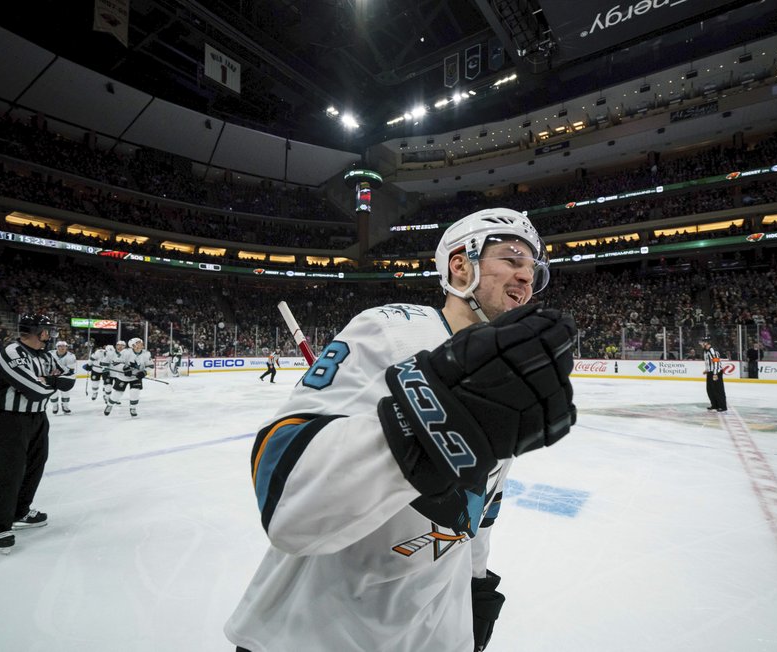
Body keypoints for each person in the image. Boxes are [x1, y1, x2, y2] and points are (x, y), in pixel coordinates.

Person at [224, 208, 577, 652]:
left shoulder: (505, 376)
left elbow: (481, 505)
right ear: (460, 264)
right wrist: (427, 426)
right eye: (511, 258)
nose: (527, 276)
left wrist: (475, 583)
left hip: (430, 633)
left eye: (533, 268)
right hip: (311, 631)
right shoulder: (390, 330)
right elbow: (287, 501)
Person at [0, 314, 75, 554]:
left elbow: (69, 380)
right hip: (7, 420)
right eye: (45, 330)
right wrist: (50, 382)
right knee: (5, 472)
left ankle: (20, 511)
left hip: (37, 419)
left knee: (35, 466)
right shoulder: (12, 353)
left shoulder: (45, 356)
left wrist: (49, 381)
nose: (49, 335)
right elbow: (35, 389)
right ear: (32, 331)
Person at [104, 337, 153, 417]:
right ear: (133, 345)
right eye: (138, 342)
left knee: (135, 392)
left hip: (136, 377)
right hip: (123, 377)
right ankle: (110, 405)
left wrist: (144, 372)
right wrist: (125, 368)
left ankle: (133, 408)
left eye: (141, 342)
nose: (141, 343)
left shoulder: (146, 353)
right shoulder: (125, 352)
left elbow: (150, 366)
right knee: (117, 393)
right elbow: (116, 363)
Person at [49, 341, 77, 414]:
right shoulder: (50, 353)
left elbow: (70, 371)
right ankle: (55, 405)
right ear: (56, 347)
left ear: (66, 347)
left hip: (67, 377)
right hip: (54, 376)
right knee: (52, 392)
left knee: (65, 392)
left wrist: (55, 371)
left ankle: (65, 406)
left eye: (64, 346)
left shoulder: (71, 356)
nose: (62, 348)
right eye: (60, 346)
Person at [701, 337, 727, 412]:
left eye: (703, 342)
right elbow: (708, 362)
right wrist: (707, 370)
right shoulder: (705, 351)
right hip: (710, 372)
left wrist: (715, 373)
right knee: (710, 389)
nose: (701, 344)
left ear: (707, 343)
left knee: (718, 390)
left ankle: (722, 406)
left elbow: (716, 362)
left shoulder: (712, 351)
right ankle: (714, 405)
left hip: (716, 372)